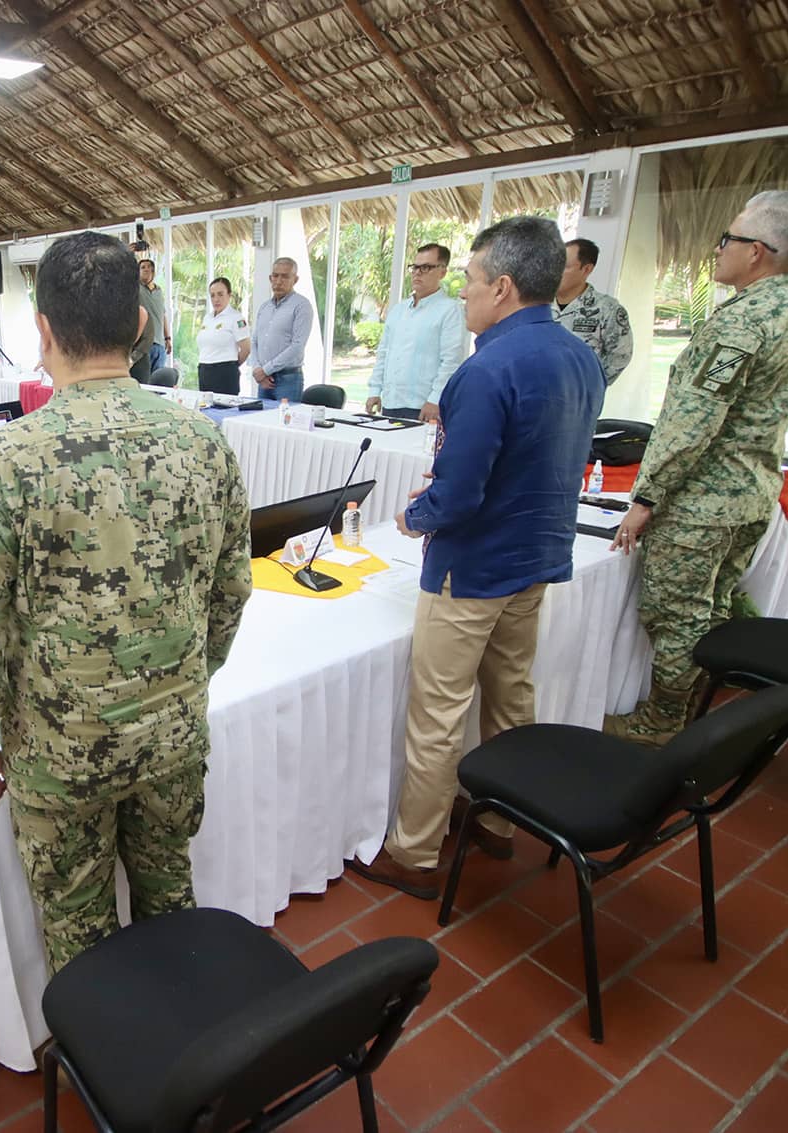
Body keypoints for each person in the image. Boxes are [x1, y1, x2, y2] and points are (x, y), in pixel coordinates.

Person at [0, 231, 253, 972]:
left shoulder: (3, 464)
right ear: (140, 326)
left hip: (60, 757)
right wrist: (187, 681)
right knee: (171, 902)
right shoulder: (204, 442)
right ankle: (188, 1052)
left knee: (82, 945)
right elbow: (231, 589)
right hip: (172, 736)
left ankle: (114, 1071)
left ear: (42, 331)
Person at [348, 218, 604, 898]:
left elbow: (459, 493)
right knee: (511, 693)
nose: (462, 295)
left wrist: (415, 515)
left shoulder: (485, 368)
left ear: (504, 287)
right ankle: (500, 820)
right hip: (537, 556)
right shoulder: (580, 356)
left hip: (475, 566)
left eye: (467, 281)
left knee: (437, 712)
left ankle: (415, 851)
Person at [607, 190, 788, 746]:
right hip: (754, 490)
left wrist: (645, 498)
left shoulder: (743, 321)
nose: (718, 249)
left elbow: (692, 422)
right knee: (715, 603)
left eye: (726, 239)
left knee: (675, 613)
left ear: (756, 251)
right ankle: (710, 699)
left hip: (704, 500)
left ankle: (662, 722)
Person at [365, 243, 466, 423]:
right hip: (391, 403)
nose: (417, 272)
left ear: (442, 272)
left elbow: (451, 361)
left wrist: (435, 399)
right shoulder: (398, 310)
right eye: (415, 267)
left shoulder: (450, 310)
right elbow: (384, 353)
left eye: (426, 267)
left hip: (424, 406)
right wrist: (375, 390)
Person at [554, 238, 634, 386]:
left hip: (578, 400)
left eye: (564, 266)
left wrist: (592, 386)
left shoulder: (607, 310)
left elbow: (621, 355)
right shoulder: (537, 304)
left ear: (587, 269)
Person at [246, 257, 313, 403]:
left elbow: (297, 345)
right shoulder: (264, 307)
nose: (279, 280)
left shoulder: (302, 306)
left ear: (295, 279)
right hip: (264, 381)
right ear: (270, 278)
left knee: (285, 424)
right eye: (275, 276)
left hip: (288, 380)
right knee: (261, 422)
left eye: (285, 276)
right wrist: (258, 370)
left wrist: (265, 370)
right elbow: (255, 340)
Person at [195, 277, 251, 396]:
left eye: (220, 294)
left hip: (225, 372)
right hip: (205, 370)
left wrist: (230, 365)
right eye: (213, 295)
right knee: (206, 411)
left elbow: (246, 349)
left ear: (229, 295)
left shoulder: (236, 318)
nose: (216, 299)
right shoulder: (208, 318)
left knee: (225, 411)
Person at [140, 259, 171, 371]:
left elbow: (162, 315)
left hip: (160, 345)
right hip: (144, 344)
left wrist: (168, 338)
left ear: (153, 271)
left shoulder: (159, 291)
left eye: (148, 267)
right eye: (143, 267)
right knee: (145, 381)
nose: (146, 269)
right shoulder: (136, 289)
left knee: (158, 382)